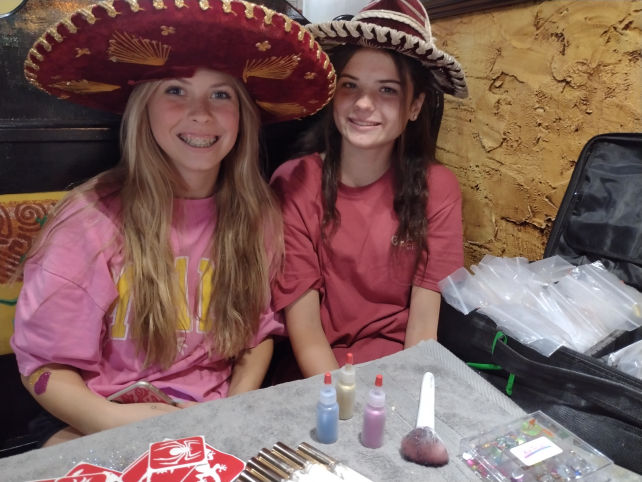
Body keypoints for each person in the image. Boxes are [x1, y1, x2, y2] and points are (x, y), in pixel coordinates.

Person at [11, 0, 334, 446]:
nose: (201, 113)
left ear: (242, 116)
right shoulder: (88, 223)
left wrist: (231, 407)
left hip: (212, 420)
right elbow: (46, 369)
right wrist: (134, 427)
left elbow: (256, 335)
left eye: (221, 94)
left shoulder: (257, 217)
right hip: (98, 419)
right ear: (143, 109)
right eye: (175, 91)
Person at [270, 0, 468, 378]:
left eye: (388, 90)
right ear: (333, 94)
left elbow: (424, 328)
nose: (363, 104)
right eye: (350, 86)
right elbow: (307, 332)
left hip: (398, 371)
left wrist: (398, 404)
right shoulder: (293, 182)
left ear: (415, 106)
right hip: (313, 378)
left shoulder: (438, 188)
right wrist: (345, 404)